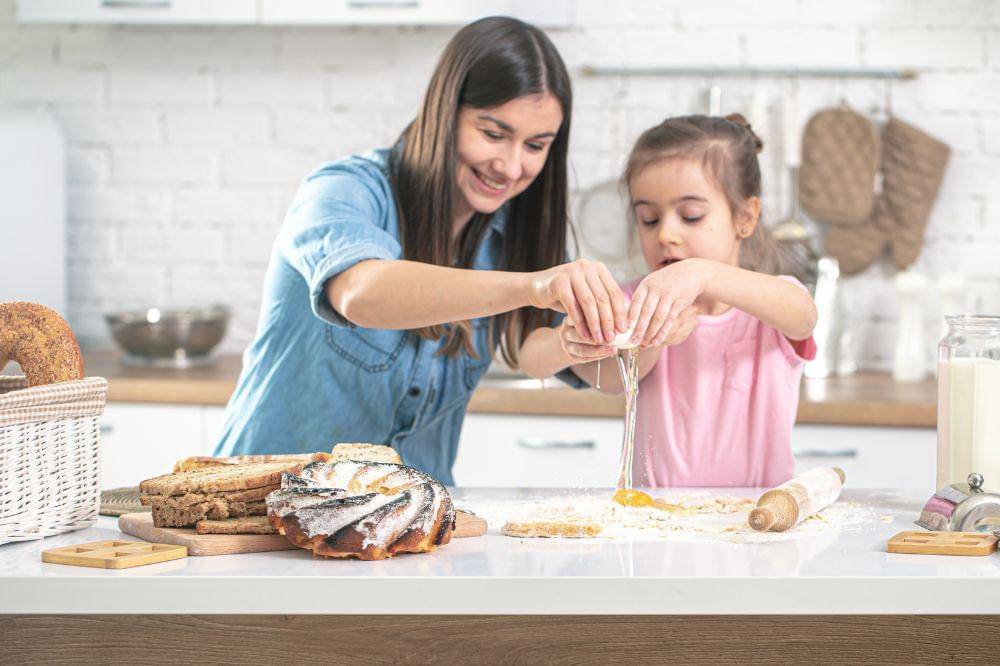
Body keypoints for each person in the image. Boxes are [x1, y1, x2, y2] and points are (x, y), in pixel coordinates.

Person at [213, 16, 629, 485]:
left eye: (535, 145)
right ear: (443, 112)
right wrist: (533, 286)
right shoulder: (345, 189)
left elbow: (607, 377)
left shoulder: (512, 235)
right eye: (493, 134)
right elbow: (359, 294)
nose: (512, 166)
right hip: (260, 510)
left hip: (403, 530)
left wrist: (663, 306)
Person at [527, 113, 818, 487]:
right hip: (657, 522)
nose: (666, 233)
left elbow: (803, 316)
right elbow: (551, 364)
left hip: (757, 521)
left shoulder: (769, 304)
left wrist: (704, 273)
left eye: (691, 216)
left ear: (744, 217)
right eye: (648, 219)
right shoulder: (633, 302)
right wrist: (641, 338)